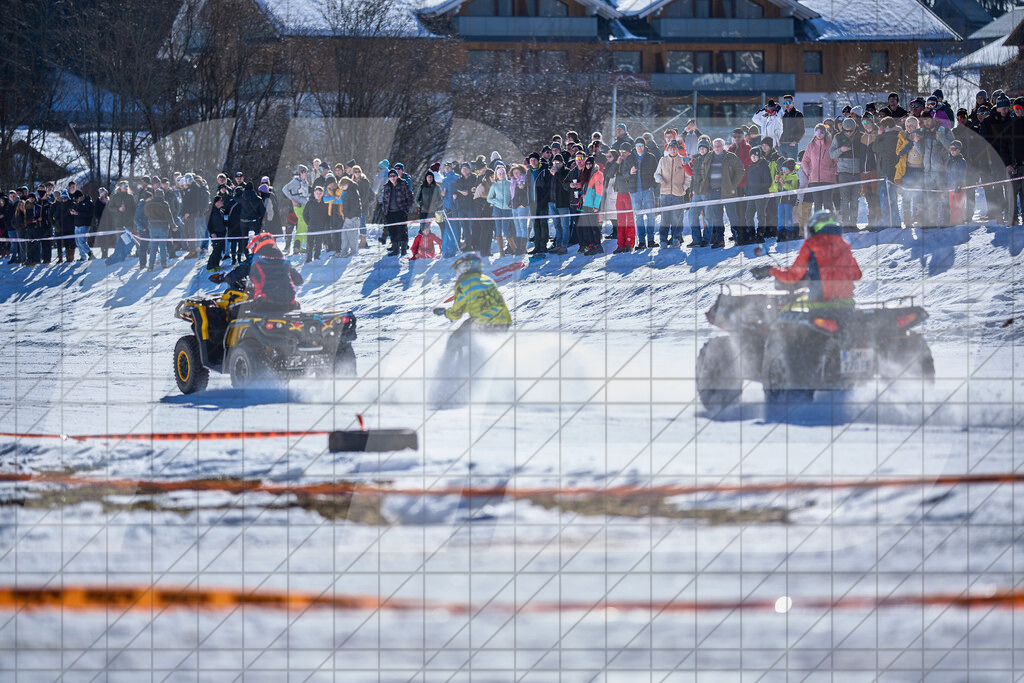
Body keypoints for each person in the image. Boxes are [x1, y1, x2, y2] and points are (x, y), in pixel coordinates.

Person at [752, 209, 862, 304]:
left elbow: (792, 276)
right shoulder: (844, 245)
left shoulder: (812, 244)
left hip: (821, 303)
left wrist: (771, 270)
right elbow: (857, 275)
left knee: (788, 311)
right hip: (847, 304)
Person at [210, 232, 304, 314]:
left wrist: (221, 278)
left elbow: (235, 274)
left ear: (258, 244)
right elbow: (299, 281)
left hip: (265, 302)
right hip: (289, 303)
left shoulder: (255, 259)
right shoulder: (285, 260)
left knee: (233, 311)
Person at [432, 252, 511, 344]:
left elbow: (456, 313)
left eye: (459, 268)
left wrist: (445, 312)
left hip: (483, 321)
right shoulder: (487, 280)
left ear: (465, 267)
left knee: (454, 339)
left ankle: (450, 358)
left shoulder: (464, 283)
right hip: (504, 321)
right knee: (477, 341)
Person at [380, 168, 415, 256]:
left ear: (397, 176)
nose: (392, 178)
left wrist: (406, 209)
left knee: (402, 230)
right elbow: (384, 200)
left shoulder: (403, 184)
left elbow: (410, 197)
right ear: (388, 177)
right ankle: (395, 249)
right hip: (390, 212)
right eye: (391, 176)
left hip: (401, 211)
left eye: (394, 176)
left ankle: (403, 249)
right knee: (393, 231)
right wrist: (385, 211)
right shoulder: (386, 186)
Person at [206, 194, 229, 272]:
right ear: (216, 202)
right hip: (215, 233)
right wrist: (212, 233)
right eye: (221, 201)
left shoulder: (220, 210)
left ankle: (216, 264)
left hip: (222, 232)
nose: (222, 202)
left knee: (220, 250)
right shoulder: (211, 211)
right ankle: (210, 266)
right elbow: (208, 224)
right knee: (216, 250)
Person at [779, 94, 805, 160]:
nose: (786, 104)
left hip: (791, 145)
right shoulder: (784, 115)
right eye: (785, 103)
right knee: (782, 166)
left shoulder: (797, 114)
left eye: (788, 102)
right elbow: (782, 129)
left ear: (792, 103)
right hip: (782, 144)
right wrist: (780, 141)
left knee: (791, 165)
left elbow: (802, 130)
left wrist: (795, 141)